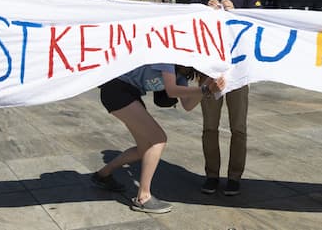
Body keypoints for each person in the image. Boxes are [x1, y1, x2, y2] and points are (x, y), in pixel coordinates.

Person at [93, 64, 225, 213]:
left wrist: (206, 83)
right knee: (158, 139)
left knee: (144, 149)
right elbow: (171, 90)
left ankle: (102, 175)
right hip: (117, 90)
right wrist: (205, 89)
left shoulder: (181, 76)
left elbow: (187, 104)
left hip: (131, 95)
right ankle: (143, 197)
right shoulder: (167, 60)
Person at [190, 0, 261, 196]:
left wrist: (237, 12)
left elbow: (260, 25)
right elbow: (188, 25)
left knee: (238, 128)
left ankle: (234, 177)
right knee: (210, 127)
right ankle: (211, 175)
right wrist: (202, 11)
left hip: (238, 72)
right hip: (210, 70)